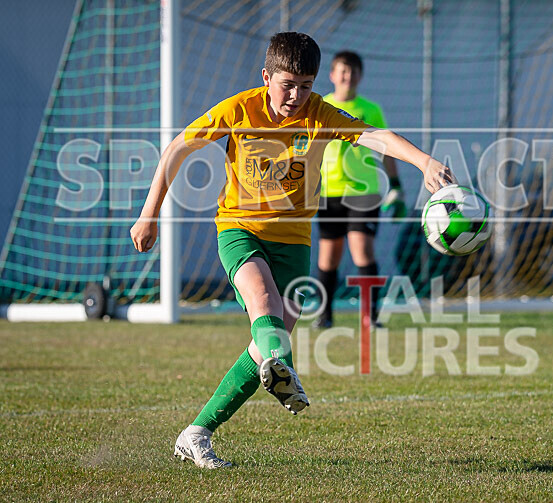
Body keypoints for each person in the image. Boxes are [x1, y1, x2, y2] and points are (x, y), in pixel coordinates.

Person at [129, 32, 453, 469]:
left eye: (306, 84)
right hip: (239, 229)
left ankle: (196, 433)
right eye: (288, 84)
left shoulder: (319, 114)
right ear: (267, 78)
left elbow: (375, 136)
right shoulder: (238, 109)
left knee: (266, 345)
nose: (297, 95)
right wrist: (149, 214)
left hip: (296, 241)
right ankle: (284, 365)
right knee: (264, 307)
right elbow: (176, 150)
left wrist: (424, 161)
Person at [315, 51, 406, 329]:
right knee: (328, 257)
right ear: (332, 75)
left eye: (353, 71)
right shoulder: (320, 106)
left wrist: (396, 185)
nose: (347, 76)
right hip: (329, 191)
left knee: (362, 251)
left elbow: (387, 146)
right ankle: (324, 316)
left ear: (360, 76)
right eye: (342, 71)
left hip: (364, 192)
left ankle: (371, 316)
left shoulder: (370, 109)